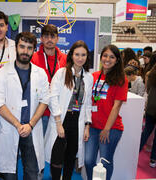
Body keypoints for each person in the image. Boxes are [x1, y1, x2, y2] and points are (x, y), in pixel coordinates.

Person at [0, 32, 49, 180]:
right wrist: (17, 124)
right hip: (10, 127)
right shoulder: (2, 73)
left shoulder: (40, 73)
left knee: (31, 171)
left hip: (31, 128)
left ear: (34, 50)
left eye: (29, 48)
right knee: (9, 174)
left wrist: (30, 124)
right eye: (22, 46)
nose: (25, 51)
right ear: (16, 48)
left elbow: (44, 100)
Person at [44, 40, 93, 180]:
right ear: (71, 55)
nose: (80, 58)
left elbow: (88, 103)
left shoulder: (88, 78)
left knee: (71, 155)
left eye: (83, 55)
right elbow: (53, 97)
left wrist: (87, 125)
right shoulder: (62, 73)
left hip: (77, 121)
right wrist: (58, 123)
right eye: (77, 54)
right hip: (61, 119)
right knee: (57, 156)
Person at [84, 44, 128, 180]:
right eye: (105, 55)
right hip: (93, 126)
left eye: (112, 57)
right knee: (88, 161)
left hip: (111, 128)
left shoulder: (121, 80)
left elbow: (116, 107)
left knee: (105, 162)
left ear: (117, 60)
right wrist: (87, 125)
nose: (107, 59)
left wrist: (106, 129)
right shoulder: (93, 76)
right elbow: (88, 102)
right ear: (101, 57)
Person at [31, 24, 67, 135]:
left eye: (52, 36)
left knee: (56, 150)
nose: (49, 40)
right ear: (41, 38)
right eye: (46, 36)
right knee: (39, 149)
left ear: (57, 38)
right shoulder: (33, 58)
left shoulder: (65, 59)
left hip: (60, 113)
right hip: (40, 113)